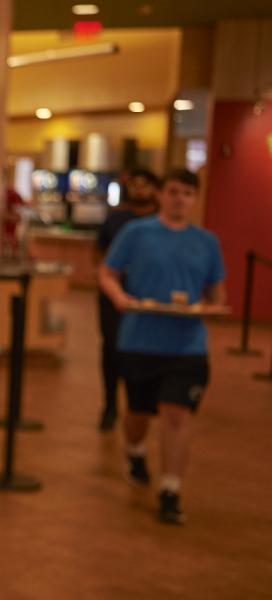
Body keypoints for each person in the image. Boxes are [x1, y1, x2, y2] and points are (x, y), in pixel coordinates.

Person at [99, 169, 225, 525]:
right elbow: (107, 272)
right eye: (173, 191)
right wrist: (120, 297)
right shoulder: (136, 233)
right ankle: (135, 451)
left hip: (188, 347)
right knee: (138, 414)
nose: (179, 198)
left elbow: (218, 295)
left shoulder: (207, 242)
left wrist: (211, 308)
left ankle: (170, 489)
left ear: (194, 199)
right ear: (161, 195)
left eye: (187, 193)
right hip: (139, 339)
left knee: (176, 413)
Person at [94, 168, 159, 431]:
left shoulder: (161, 222)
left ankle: (140, 404)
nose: (139, 190)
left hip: (149, 299)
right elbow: (98, 255)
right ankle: (110, 404)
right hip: (113, 297)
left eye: (145, 185)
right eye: (135, 185)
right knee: (112, 348)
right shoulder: (116, 219)